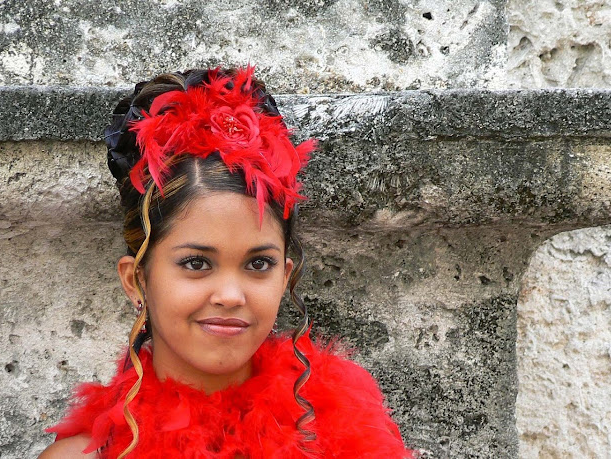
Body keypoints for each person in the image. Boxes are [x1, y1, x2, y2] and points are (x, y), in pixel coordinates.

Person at [39, 66, 413, 458]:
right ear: (137, 281)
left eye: (258, 265)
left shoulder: (346, 434)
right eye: (197, 263)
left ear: (285, 277)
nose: (231, 295)